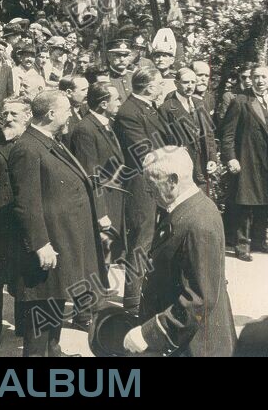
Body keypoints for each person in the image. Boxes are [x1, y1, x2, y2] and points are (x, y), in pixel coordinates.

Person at [9, 89, 110, 356]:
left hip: (61, 241)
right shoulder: (28, 148)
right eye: (66, 110)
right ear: (51, 113)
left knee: (54, 303)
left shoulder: (50, 141)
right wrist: (40, 243)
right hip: (46, 246)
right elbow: (26, 204)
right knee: (40, 314)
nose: (70, 115)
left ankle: (53, 352)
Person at [123, 146, 236, 357]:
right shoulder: (186, 208)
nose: (147, 192)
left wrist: (148, 334)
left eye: (151, 184)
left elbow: (199, 299)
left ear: (172, 181)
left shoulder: (198, 222)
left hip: (193, 345)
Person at [114, 66, 168, 312]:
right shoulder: (129, 111)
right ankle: (132, 300)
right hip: (140, 183)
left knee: (155, 238)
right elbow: (143, 151)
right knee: (141, 240)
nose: (162, 87)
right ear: (148, 87)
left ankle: (149, 291)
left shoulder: (147, 106)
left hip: (156, 180)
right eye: (159, 83)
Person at [0, 96, 31, 353]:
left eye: (14, 114)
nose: (8, 119)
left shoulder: (33, 144)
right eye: (5, 114)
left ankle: (23, 326)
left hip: (24, 224)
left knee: (23, 280)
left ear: (28, 117)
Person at [221, 63, 268, 260]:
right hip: (247, 158)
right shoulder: (241, 100)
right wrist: (231, 158)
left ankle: (260, 241)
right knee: (245, 202)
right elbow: (227, 134)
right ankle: (242, 245)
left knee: (265, 200)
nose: (259, 81)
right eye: (256, 77)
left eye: (263, 77)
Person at [68, 83, 127, 265]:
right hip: (101, 204)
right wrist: (101, 213)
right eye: (116, 99)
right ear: (103, 104)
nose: (120, 103)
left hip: (113, 200)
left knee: (107, 257)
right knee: (98, 259)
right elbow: (90, 175)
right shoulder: (85, 129)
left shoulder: (107, 125)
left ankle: (102, 292)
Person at [160, 68, 218, 190]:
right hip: (183, 167)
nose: (190, 86)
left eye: (193, 82)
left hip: (204, 165)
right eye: (186, 82)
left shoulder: (200, 103)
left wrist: (213, 158)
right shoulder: (167, 108)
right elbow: (164, 141)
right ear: (176, 84)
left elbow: (209, 134)